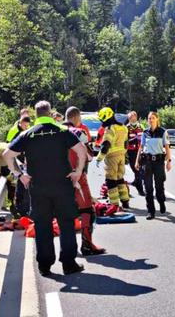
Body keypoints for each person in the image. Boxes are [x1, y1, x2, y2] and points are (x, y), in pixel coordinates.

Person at [3, 101, 88, 276]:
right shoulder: (62, 131)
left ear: (35, 114)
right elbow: (81, 151)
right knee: (66, 223)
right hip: (62, 185)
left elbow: (7, 155)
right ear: (50, 113)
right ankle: (69, 263)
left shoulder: (28, 134)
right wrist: (77, 172)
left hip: (38, 187)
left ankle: (45, 265)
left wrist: (20, 175)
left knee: (42, 225)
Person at [64, 107, 106, 256]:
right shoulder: (77, 132)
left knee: (64, 214)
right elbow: (89, 156)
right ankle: (87, 245)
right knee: (88, 210)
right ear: (76, 118)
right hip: (77, 176)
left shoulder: (55, 131)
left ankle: (66, 250)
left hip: (57, 179)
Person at [136, 112, 172, 219]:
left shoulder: (162, 132)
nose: (151, 120)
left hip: (159, 162)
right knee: (148, 188)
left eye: (153, 118)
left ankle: (161, 202)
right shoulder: (145, 133)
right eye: (149, 118)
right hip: (147, 162)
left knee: (159, 186)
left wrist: (169, 161)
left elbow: (167, 147)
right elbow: (141, 147)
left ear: (157, 119)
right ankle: (150, 211)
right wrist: (137, 161)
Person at [96, 107, 130, 208]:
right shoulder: (124, 127)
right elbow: (126, 144)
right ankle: (125, 201)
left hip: (111, 158)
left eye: (102, 120)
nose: (102, 122)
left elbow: (105, 145)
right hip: (121, 156)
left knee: (110, 181)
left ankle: (114, 204)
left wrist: (99, 158)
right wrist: (124, 155)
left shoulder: (110, 129)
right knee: (120, 179)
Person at [5, 115, 33, 217]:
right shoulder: (14, 131)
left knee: (21, 182)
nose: (26, 127)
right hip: (14, 158)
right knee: (18, 182)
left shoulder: (23, 130)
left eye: (27, 126)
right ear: (21, 122)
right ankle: (18, 207)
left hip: (21, 158)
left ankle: (20, 207)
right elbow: (9, 148)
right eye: (25, 125)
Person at [125, 111, 145, 195]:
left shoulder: (141, 126)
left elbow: (145, 137)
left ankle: (137, 184)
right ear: (129, 119)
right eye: (130, 117)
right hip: (131, 152)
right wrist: (134, 139)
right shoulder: (126, 128)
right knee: (136, 170)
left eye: (134, 117)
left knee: (140, 171)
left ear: (136, 117)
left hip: (140, 151)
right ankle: (139, 187)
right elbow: (124, 141)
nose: (132, 118)